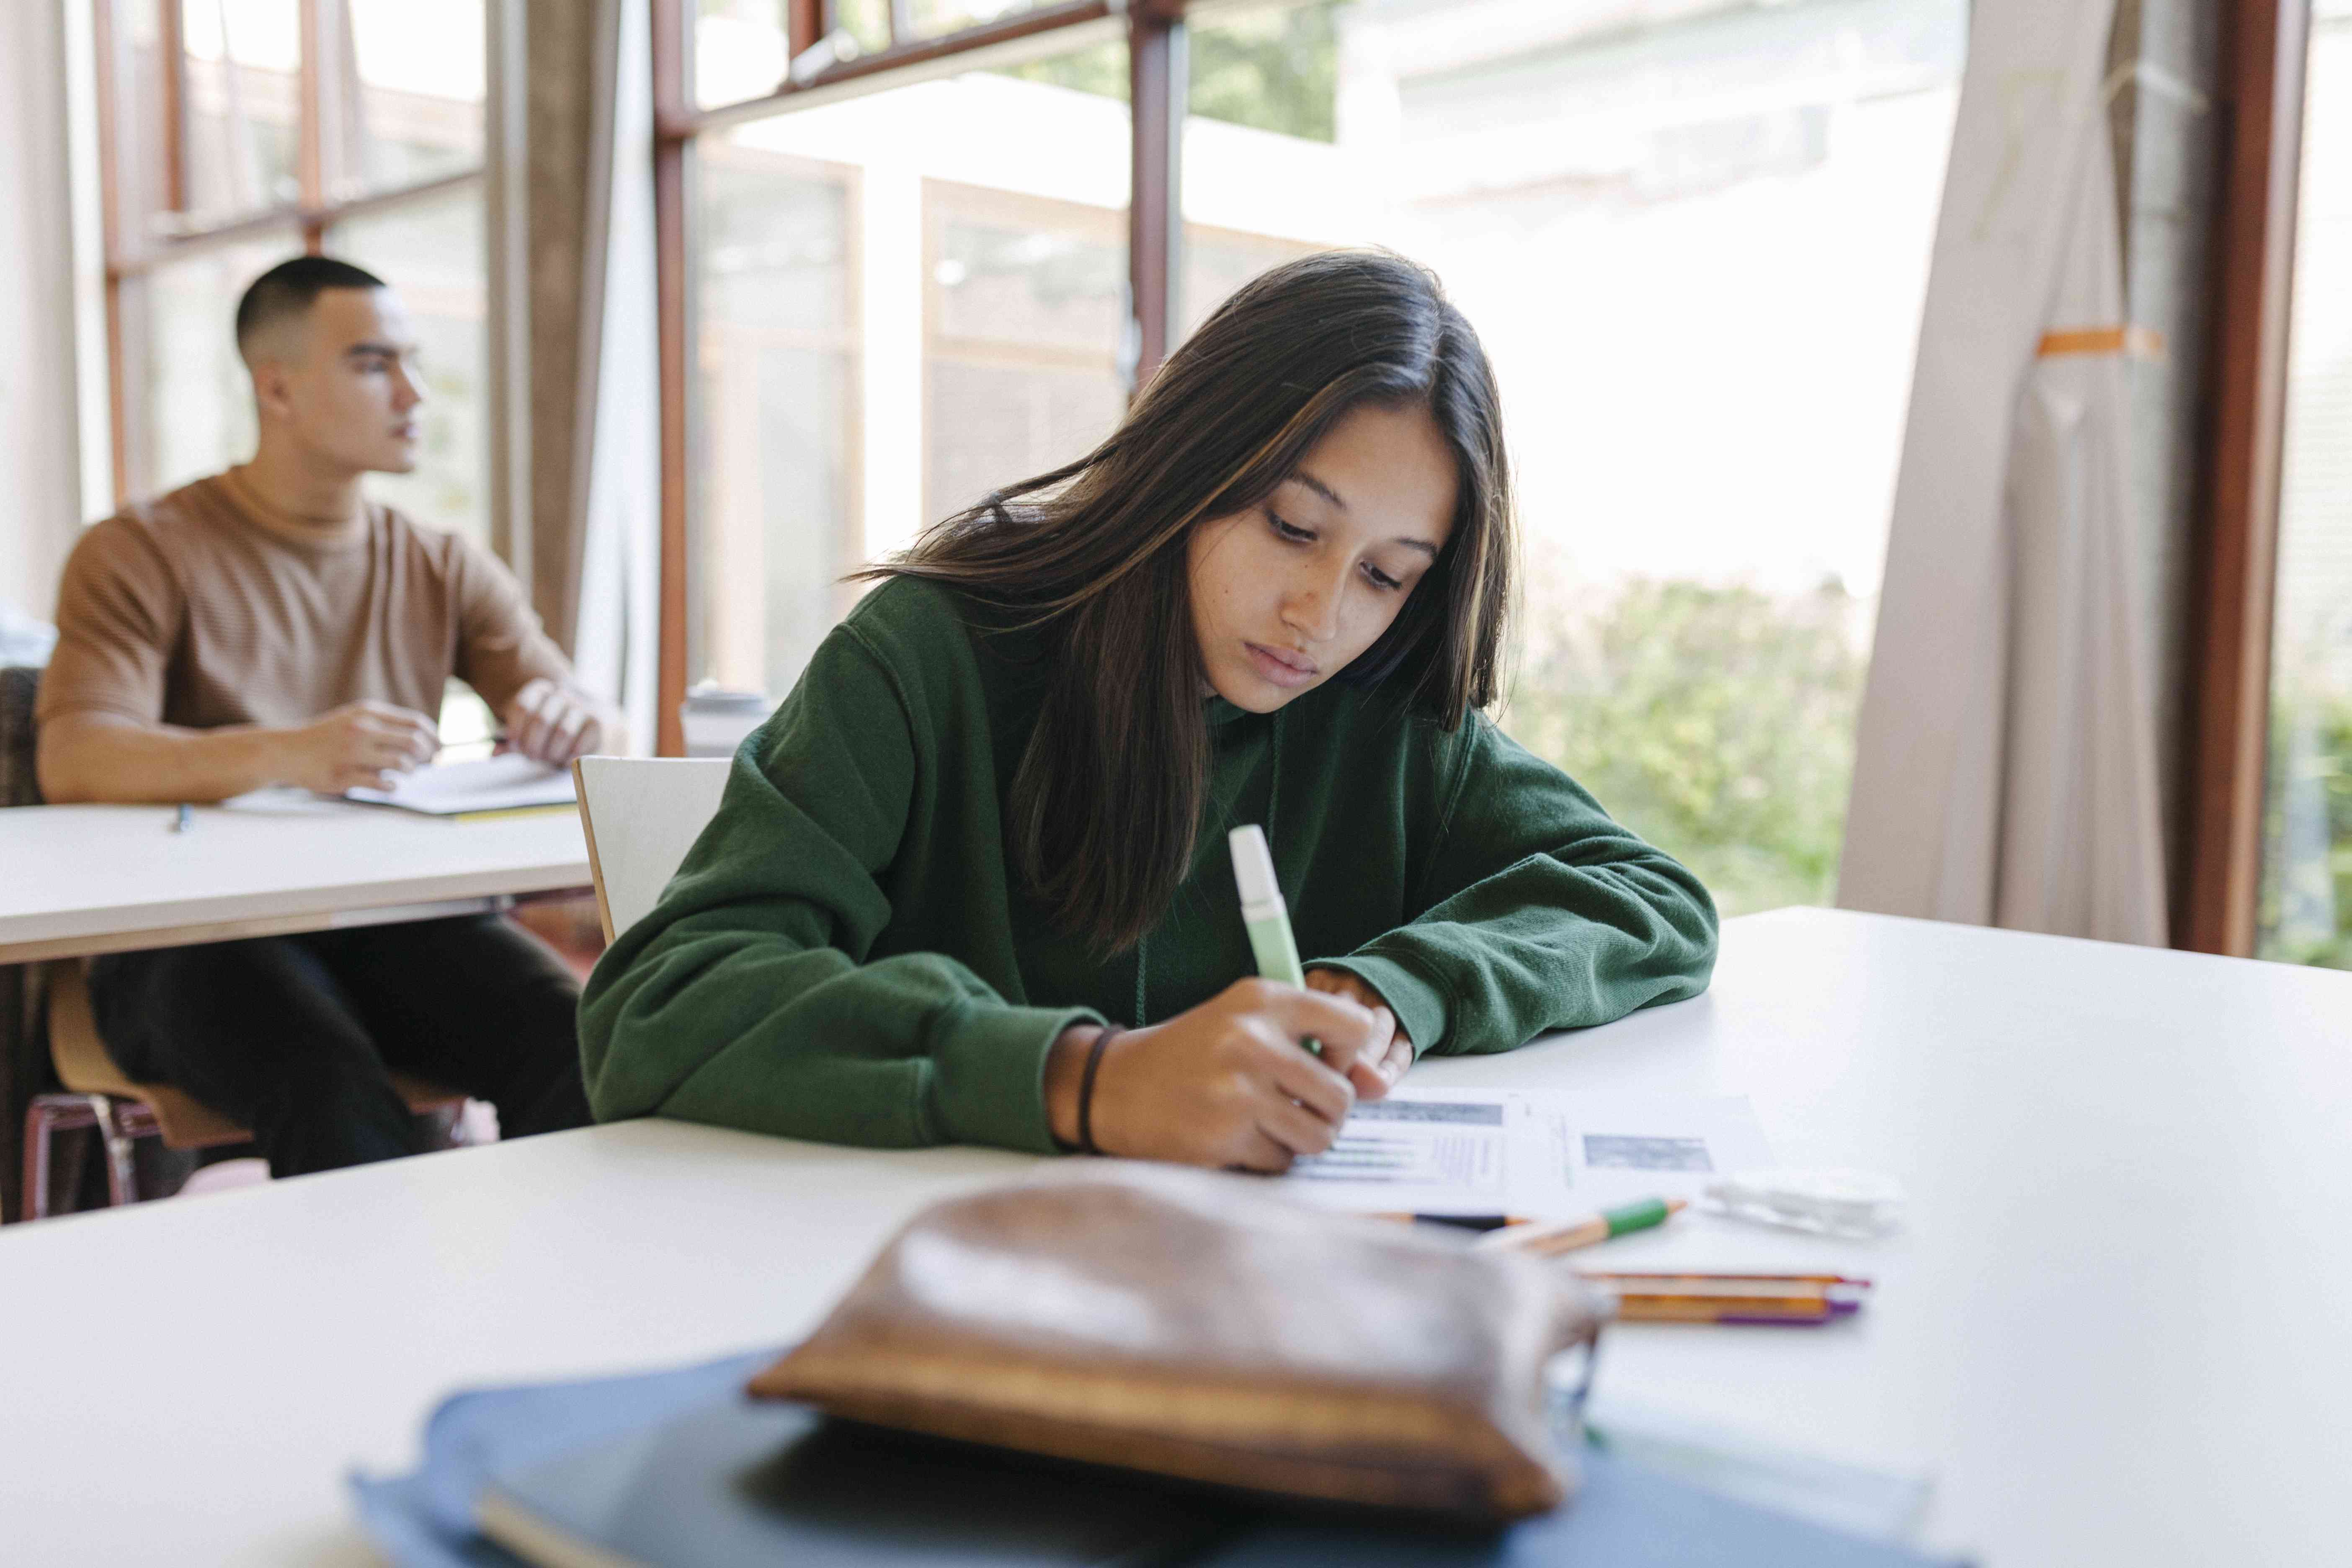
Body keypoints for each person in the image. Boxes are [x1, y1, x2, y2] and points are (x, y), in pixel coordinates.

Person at [580, 250, 1718, 1173]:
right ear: (1191, 468)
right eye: (1291, 526)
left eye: (1387, 574)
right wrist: (1087, 1080)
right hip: (911, 1285)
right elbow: (661, 1007)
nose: (1320, 614)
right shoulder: (934, 655)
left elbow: (1651, 899)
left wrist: (1392, 990)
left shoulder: (1386, 716)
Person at [36, 255, 611, 1177]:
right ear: (278, 388)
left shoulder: (439, 562)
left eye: (411, 361)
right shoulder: (139, 552)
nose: (415, 393)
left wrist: (571, 712)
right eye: (375, 364)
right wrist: (291, 752)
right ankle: (377, 1325)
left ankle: (572, 1306)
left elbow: (582, 708)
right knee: (327, 1085)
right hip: (187, 939)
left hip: (396, 921)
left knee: (597, 1045)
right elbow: (76, 754)